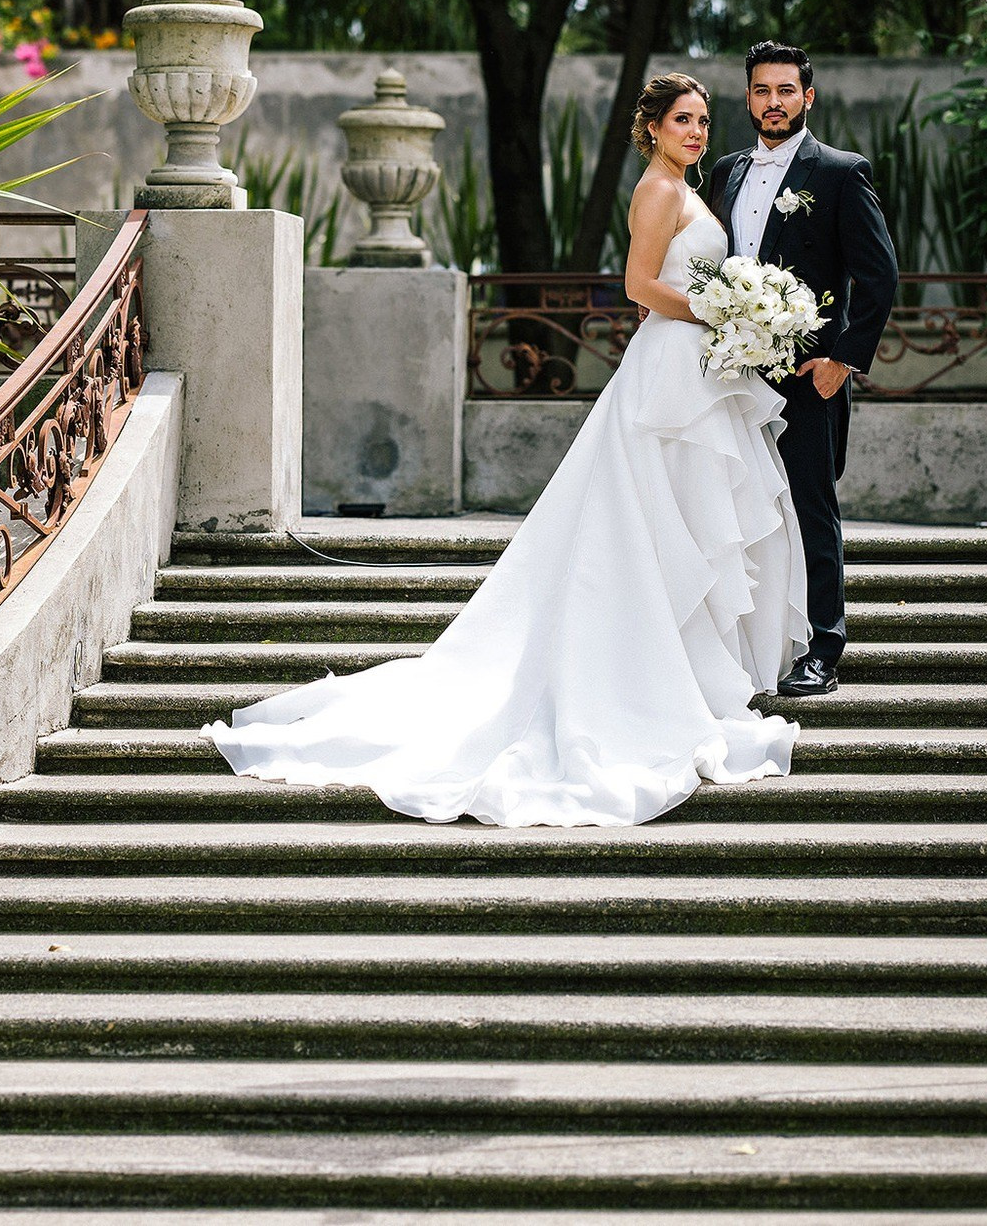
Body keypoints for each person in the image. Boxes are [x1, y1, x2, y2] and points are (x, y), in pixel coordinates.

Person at [204, 72, 810, 829]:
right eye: (682, 120)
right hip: (667, 373)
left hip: (693, 370)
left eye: (703, 121)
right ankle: (643, 679)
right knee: (655, 522)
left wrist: (732, 318)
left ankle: (680, 669)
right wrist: (719, 309)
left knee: (681, 525)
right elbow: (637, 285)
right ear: (651, 128)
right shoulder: (658, 190)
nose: (697, 132)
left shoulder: (685, 186)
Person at [705, 41, 898, 697]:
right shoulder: (725, 172)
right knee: (733, 506)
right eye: (762, 90)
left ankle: (823, 646)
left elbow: (880, 277)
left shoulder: (841, 173)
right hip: (732, 377)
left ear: (807, 97)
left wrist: (843, 360)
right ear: (749, 97)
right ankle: (740, 643)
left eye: (786, 90)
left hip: (807, 376)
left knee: (810, 507)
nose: (774, 101)